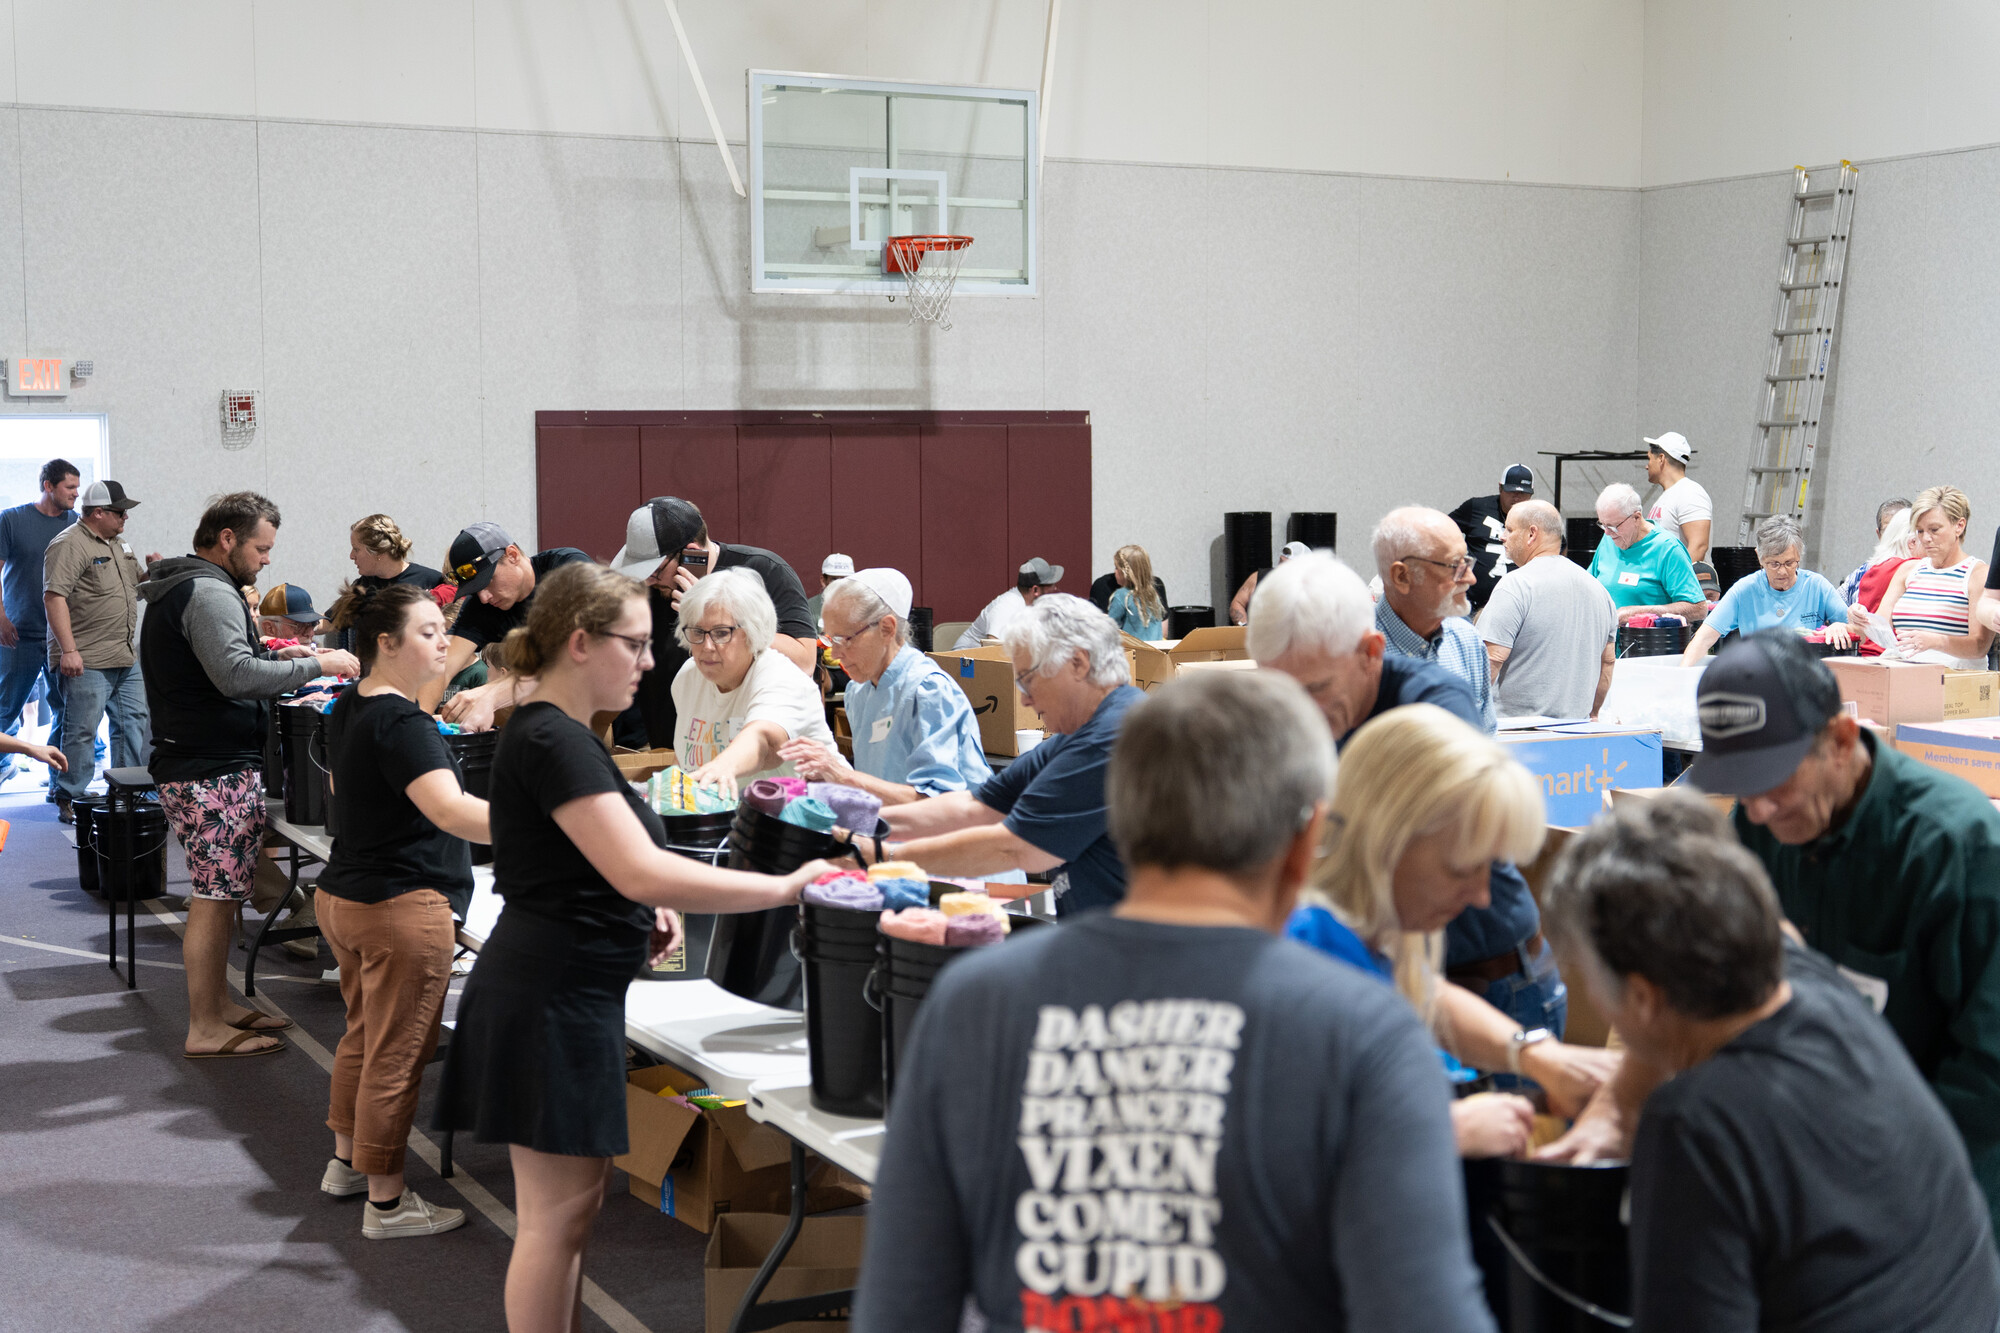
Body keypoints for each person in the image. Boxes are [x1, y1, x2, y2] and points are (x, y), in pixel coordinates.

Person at [853, 670, 1499, 1333]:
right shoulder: (1365, 1034)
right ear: (1307, 838)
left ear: (1122, 819)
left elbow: (900, 1305)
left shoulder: (971, 1004)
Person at [432, 562, 829, 1333]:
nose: (652, 664)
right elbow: (637, 862)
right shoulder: (555, 739)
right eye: (637, 645)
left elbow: (598, 862)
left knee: (573, 1216)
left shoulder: (559, 734)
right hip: (548, 996)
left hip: (564, 991)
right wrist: (787, 887)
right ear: (580, 643)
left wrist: (638, 902)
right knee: (553, 1223)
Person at [1543, 631, 2000, 1225]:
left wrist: (1873, 1171)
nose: (1757, 811)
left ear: (1840, 739)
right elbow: (1702, 981)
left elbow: (1987, 1071)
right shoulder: (1768, 821)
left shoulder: (1955, 848)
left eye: (1775, 782)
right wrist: (1619, 1105)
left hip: (1937, 1188)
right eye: (1743, 787)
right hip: (1809, 1151)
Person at [1546, 791, 2000, 1331]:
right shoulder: (1818, 988)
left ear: (1642, 998)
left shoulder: (1693, 1124)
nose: (1596, 1003)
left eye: (1591, 983)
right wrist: (1617, 1103)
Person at [1248, 552, 1564, 1040]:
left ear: (1371, 652)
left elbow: (1416, 841)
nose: (1298, 712)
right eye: (1279, 691)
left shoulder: (1435, 705)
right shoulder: (1293, 717)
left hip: (1489, 975)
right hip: (1385, 968)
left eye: (1316, 689)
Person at [1291, 704, 1618, 1158]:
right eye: (1463, 867)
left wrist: (1536, 1057)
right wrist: (1444, 1132)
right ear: (1388, 838)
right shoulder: (1302, 965)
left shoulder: (1377, 943)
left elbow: (1421, 991)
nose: (1482, 897)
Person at [137, 492, 360, 1059]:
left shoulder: (192, 587)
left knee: (228, 892)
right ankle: (205, 1027)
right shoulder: (206, 592)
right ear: (228, 539)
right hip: (206, 766)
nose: (265, 560)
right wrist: (316, 664)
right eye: (261, 548)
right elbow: (235, 675)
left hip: (201, 760)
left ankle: (219, 1007)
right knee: (214, 898)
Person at [315, 583, 490, 1239]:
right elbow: (454, 812)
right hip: (397, 904)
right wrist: (555, 820)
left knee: (364, 1037)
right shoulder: (405, 722)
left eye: (443, 629)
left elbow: (346, 790)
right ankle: (387, 1203)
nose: (443, 641)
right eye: (427, 631)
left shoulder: (348, 707)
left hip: (346, 895)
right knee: (396, 1054)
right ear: (385, 644)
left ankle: (347, 1164)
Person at [862, 594, 1144, 915]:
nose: (1024, 700)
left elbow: (1013, 848)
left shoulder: (1113, 735)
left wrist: (879, 856)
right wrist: (865, 825)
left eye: (1027, 681)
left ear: (1078, 663)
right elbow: (976, 807)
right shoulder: (1082, 732)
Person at [612, 497, 818, 748]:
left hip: (757, 749)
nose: (649, 581)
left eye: (655, 571)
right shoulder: (649, 591)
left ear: (692, 553)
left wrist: (715, 614)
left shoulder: (765, 570)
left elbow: (805, 660)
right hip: (678, 752)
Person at [777, 567, 990, 805]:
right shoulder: (858, 692)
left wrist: (844, 776)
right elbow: (875, 786)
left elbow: (937, 803)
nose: (835, 654)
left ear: (886, 629)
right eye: (829, 640)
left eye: (843, 639)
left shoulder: (927, 690)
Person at [669, 568, 833, 797]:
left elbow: (763, 739)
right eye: (697, 631)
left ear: (753, 631)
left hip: (801, 823)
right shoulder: (688, 677)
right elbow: (684, 757)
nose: (707, 646)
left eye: (721, 633)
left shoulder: (780, 677)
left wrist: (722, 766)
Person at [42, 479, 151, 816]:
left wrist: (154, 573)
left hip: (124, 655)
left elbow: (136, 586)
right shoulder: (68, 544)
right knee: (81, 729)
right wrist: (68, 650)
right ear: (98, 512)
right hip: (86, 657)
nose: (125, 518)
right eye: (120, 512)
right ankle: (69, 796)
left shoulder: (119, 545)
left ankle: (126, 791)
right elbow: (53, 596)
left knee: (133, 723)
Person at [437, 523, 593, 731]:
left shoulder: (567, 569)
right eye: (476, 590)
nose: (484, 597)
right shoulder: (482, 606)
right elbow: (442, 666)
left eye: (489, 581)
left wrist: (490, 694)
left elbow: (570, 661)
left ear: (512, 555)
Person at [1478, 499, 1617, 720]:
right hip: (1576, 731)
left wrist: (1466, 719)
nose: (1502, 536)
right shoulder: (1599, 590)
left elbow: (1491, 660)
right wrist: (1593, 714)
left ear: (1532, 534)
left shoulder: (1516, 584)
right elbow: (1607, 663)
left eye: (1510, 529)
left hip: (1518, 735)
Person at [1372, 506, 1495, 732]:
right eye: (1455, 566)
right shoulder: (1356, 652)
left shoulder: (1467, 640)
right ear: (1402, 576)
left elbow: (1487, 740)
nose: (1471, 578)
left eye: (1467, 562)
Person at [0, 458, 78, 797]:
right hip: (19, 633)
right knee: (6, 709)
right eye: (70, 487)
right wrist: (0, 614)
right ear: (48, 485)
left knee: (66, 711)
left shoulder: (75, 523)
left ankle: (59, 788)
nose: (76, 494)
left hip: (60, 637)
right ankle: (4, 766)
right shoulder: (12, 520)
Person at [1680, 516, 1849, 665]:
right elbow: (1703, 638)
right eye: (1774, 564)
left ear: (1800, 556)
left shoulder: (1817, 586)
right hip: (1758, 677)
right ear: (1759, 556)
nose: (1782, 571)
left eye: (1790, 563)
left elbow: (1858, 631)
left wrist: (1840, 626)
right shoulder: (1745, 590)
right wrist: (1681, 676)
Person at [1866, 484, 1992, 668]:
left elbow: (1979, 645)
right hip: (1904, 674)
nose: (1925, 538)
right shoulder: (1908, 570)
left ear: (1959, 525)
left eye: (1934, 530)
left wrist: (1937, 641)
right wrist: (1860, 620)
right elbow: (1880, 626)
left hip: (1954, 681)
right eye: (1920, 531)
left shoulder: (1976, 574)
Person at [327, 513, 449, 688]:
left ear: (376, 552)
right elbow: (329, 621)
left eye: (356, 549)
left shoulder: (431, 581)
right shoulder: (362, 585)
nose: (351, 556)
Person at [1588, 482, 1704, 624]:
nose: (1607, 532)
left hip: (1646, 643)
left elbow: (1698, 608)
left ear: (1636, 517)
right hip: (1607, 644)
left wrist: (1639, 613)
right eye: (1603, 524)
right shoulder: (1609, 539)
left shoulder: (1668, 549)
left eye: (1613, 526)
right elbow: (1589, 587)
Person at [1448, 462, 1535, 610]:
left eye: (1523, 493)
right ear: (1500, 487)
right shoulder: (1476, 507)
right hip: (1473, 604)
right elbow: (1444, 530)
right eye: (1512, 492)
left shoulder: (1537, 516)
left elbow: (1557, 546)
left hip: (1518, 606)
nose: (1517, 498)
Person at [954, 556, 1062, 648]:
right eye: (1050, 585)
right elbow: (993, 650)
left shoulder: (1031, 605)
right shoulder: (1007, 606)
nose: (1055, 588)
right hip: (963, 667)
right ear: (1035, 590)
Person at [1643, 430, 1712, 561]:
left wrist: (1677, 580)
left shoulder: (1690, 493)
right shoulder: (1667, 496)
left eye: (1649, 459)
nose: (1647, 466)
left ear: (1661, 459)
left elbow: (1699, 546)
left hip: (1680, 581)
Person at [1840, 497, 1912, 601]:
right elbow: (1833, 612)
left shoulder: (1923, 571)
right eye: (1889, 531)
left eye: (1903, 530)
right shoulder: (1861, 575)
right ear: (1879, 535)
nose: (1896, 537)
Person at [1228, 540, 1307, 626]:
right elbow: (1237, 603)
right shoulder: (1259, 578)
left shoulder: (1310, 592)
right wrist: (1243, 627)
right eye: (1281, 561)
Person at [1104, 542, 1166, 640]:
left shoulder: (1121, 596)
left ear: (1125, 572)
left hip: (1132, 653)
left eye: (1116, 568)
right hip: (1156, 652)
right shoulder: (1153, 595)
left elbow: (1109, 629)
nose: (1114, 571)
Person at [257, 584, 328, 645]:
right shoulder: (252, 659)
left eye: (313, 624)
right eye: (300, 626)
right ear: (269, 629)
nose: (310, 633)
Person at [804, 552, 852, 633]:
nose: (840, 584)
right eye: (834, 579)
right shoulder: (810, 608)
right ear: (823, 580)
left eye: (845, 579)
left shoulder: (862, 607)